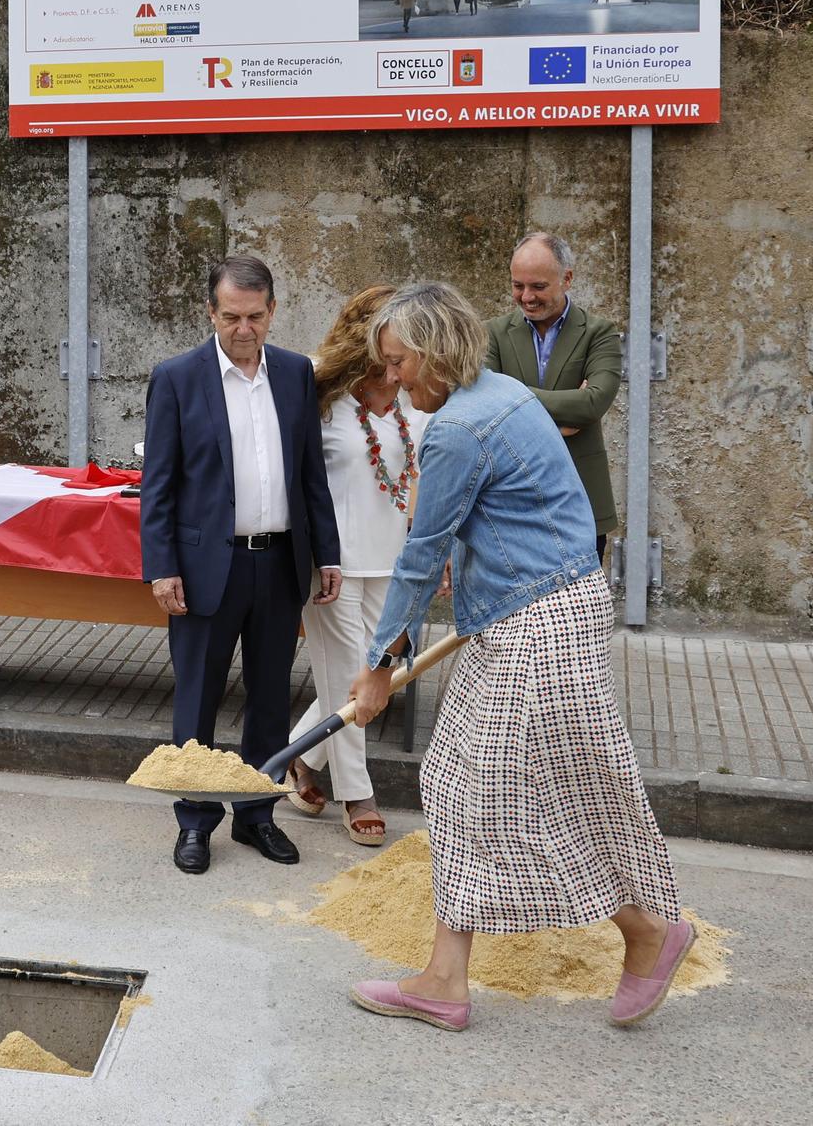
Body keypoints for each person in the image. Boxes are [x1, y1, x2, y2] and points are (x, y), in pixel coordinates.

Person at [345, 283, 687, 1033]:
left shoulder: (459, 428)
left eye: (400, 363)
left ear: (432, 353)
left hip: (540, 622)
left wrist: (379, 666)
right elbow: (498, 519)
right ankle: (445, 979)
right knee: (457, 780)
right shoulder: (503, 393)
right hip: (534, 610)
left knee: (524, 794)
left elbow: (420, 553)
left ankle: (647, 930)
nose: (395, 379)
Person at [141, 255, 343, 875]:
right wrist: (161, 566)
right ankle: (196, 822)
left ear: (273, 312)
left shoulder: (294, 375)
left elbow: (312, 471)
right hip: (207, 568)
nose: (243, 329)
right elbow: (160, 485)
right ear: (211, 312)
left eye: (255, 317)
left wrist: (328, 553)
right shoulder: (177, 379)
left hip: (279, 563)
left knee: (269, 699)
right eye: (231, 316)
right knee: (196, 699)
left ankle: (257, 815)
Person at [284, 285, 430, 846]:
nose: (397, 368)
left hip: (391, 561)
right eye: (391, 353)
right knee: (348, 676)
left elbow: (420, 481)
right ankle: (358, 793)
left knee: (373, 679)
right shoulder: (318, 387)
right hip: (332, 563)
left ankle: (300, 756)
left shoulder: (415, 394)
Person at [483, 232, 620, 563]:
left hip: (581, 500)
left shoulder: (599, 333)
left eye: (538, 287)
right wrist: (560, 422)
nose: (526, 297)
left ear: (567, 278)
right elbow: (485, 405)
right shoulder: (494, 333)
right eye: (518, 285)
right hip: (512, 500)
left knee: (580, 611)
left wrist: (511, 395)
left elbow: (594, 403)